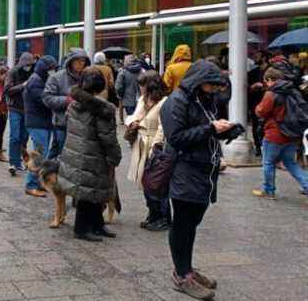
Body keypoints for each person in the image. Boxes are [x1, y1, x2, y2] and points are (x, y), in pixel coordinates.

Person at [160, 60, 234, 300]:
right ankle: (181, 274)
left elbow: (206, 127)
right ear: (198, 81)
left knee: (192, 223)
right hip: (184, 169)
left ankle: (187, 269)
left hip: (203, 170)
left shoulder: (202, 100)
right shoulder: (176, 102)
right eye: (210, 85)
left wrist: (228, 130)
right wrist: (210, 128)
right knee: (183, 223)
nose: (214, 90)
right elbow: (176, 138)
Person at [58, 67, 122, 242]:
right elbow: (107, 138)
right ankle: (82, 229)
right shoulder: (103, 109)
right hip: (94, 155)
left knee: (91, 191)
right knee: (90, 192)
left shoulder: (74, 104)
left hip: (77, 152)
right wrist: (115, 156)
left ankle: (96, 224)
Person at [251, 68, 308, 199]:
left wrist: (257, 107)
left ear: (270, 79)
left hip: (275, 133)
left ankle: (268, 190)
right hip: (292, 134)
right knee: (290, 163)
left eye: (266, 81)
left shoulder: (271, 94)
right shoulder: (293, 90)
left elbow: (260, 111)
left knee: (268, 162)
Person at [125, 71, 170, 231]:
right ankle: (153, 213)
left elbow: (162, 127)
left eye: (142, 85)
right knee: (146, 182)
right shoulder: (142, 100)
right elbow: (132, 116)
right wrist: (132, 122)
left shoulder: (164, 102)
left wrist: (155, 148)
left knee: (157, 183)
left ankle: (163, 217)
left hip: (154, 146)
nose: (140, 88)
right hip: (141, 143)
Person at [43, 48, 90, 160]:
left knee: (63, 154)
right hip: (62, 123)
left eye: (83, 60)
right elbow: (47, 98)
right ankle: (48, 174)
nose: (81, 63)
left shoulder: (87, 77)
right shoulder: (56, 77)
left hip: (81, 124)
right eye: (77, 60)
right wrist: (67, 100)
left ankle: (46, 172)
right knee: (62, 153)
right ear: (70, 61)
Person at [23, 55, 58, 197]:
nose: (53, 71)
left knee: (42, 154)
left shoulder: (41, 79)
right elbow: (45, 100)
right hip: (37, 122)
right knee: (39, 155)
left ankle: (38, 183)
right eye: (51, 68)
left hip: (42, 122)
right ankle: (31, 185)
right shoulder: (35, 81)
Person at [4, 52, 36, 174]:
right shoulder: (12, 72)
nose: (28, 66)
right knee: (15, 136)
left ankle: (20, 159)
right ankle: (13, 163)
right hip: (14, 108)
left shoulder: (33, 74)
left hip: (27, 109)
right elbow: (7, 90)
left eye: (30, 64)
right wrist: (23, 85)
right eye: (26, 64)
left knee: (24, 137)